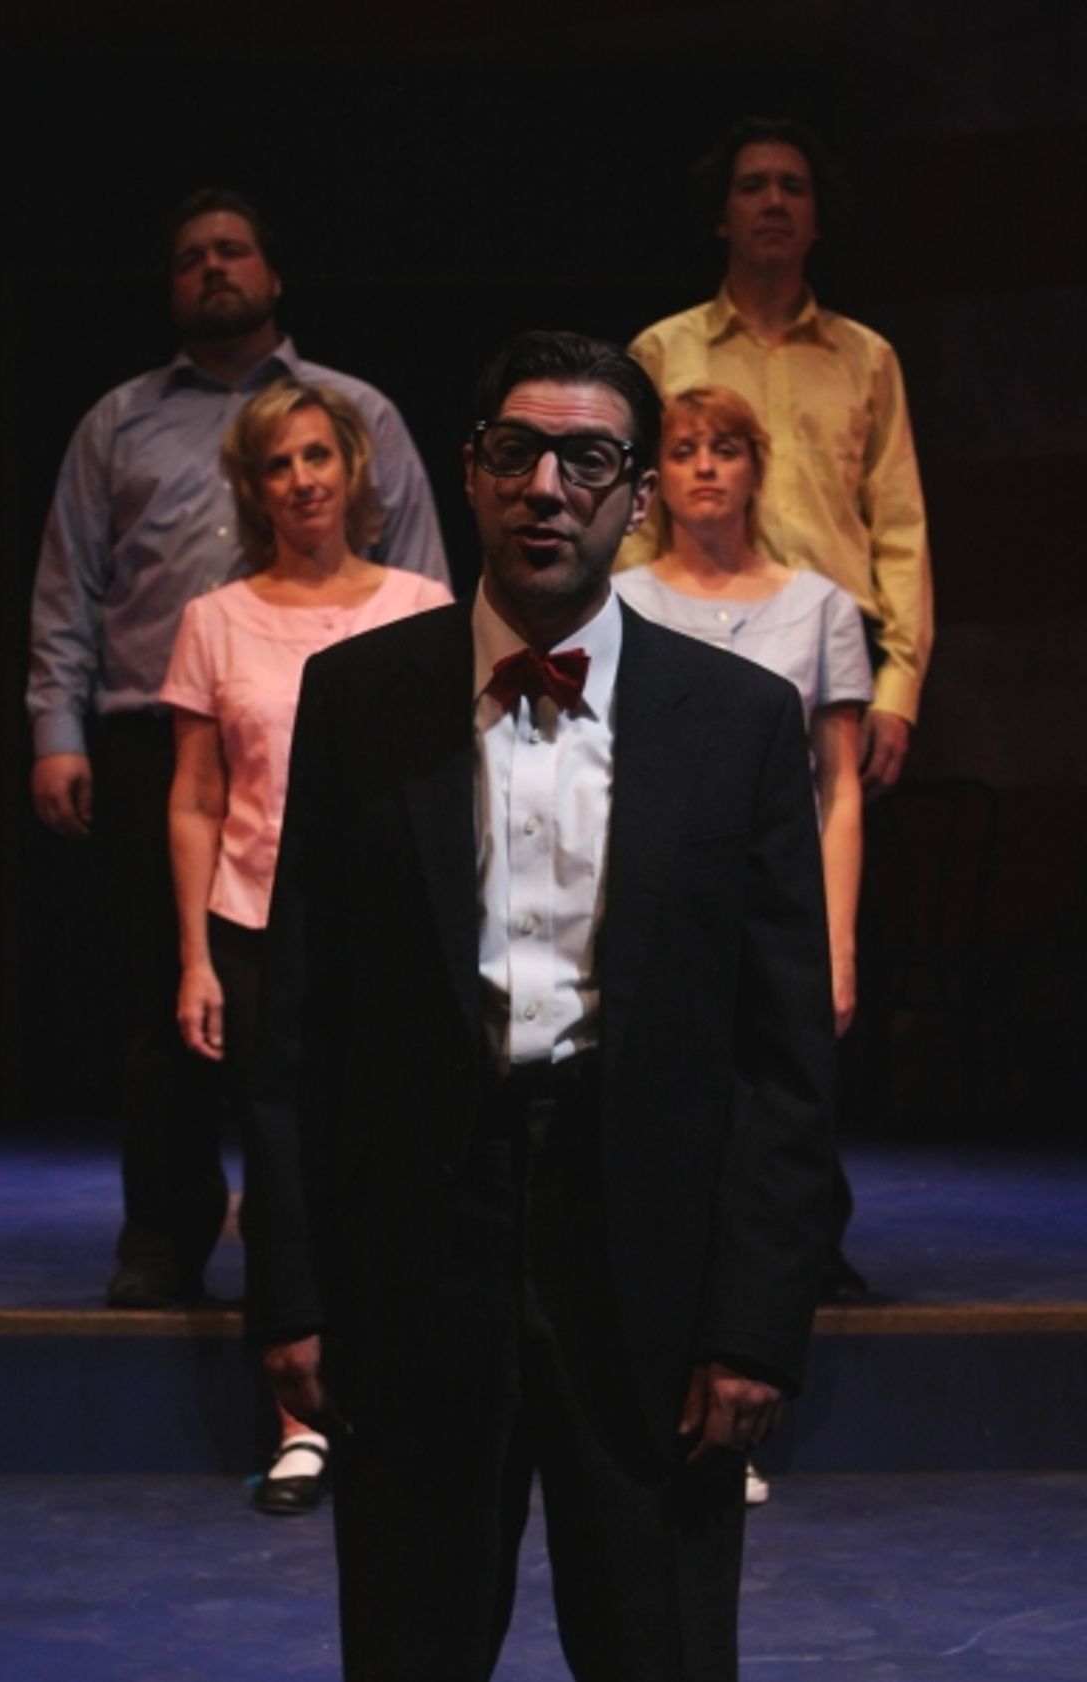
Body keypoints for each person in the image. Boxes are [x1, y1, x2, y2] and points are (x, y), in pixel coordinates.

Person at [244, 330, 835, 1680]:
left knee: (661, 1646)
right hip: (416, 1250)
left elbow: (782, 1056)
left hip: (650, 1258)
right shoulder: (357, 698)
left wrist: (755, 1323)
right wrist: (287, 1290)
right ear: (471, 476)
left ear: (635, 492)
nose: (548, 486)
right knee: (411, 1640)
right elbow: (299, 1035)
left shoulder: (737, 719)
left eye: (589, 458)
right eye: (517, 453)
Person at [27, 188, 449, 1309]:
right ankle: (166, 1232)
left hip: (339, 750)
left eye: (234, 250)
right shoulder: (118, 421)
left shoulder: (357, 411)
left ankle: (337, 1237)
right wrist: (53, 729)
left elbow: (423, 583)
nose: (213, 268)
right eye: (189, 257)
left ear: (273, 274)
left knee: (344, 1020)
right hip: (156, 740)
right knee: (173, 997)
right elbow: (72, 584)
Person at [161, 378, 450, 1511]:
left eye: (319, 456)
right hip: (256, 923)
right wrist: (192, 952)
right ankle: (299, 1418)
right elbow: (194, 798)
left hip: (393, 924)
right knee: (280, 1168)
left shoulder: (423, 604)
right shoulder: (214, 618)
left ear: (354, 469)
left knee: (401, 1151)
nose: (302, 480)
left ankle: (406, 1390)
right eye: (278, 464)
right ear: (254, 485)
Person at [616, 385, 872, 1477]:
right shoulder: (619, 598)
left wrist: (838, 938)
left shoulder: (819, 606)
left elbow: (841, 787)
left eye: (728, 448)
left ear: (759, 470)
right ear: (655, 477)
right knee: (666, 1143)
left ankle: (735, 1384)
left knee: (762, 1124)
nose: (707, 467)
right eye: (684, 449)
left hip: (772, 907)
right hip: (656, 911)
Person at [622, 116, 932, 798]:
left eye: (793, 187)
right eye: (753, 186)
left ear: (818, 218)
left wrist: (897, 690)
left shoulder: (867, 358)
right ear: (722, 216)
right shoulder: (662, 352)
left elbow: (901, 528)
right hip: (690, 636)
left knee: (828, 867)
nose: (773, 202)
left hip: (838, 662)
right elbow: (633, 519)